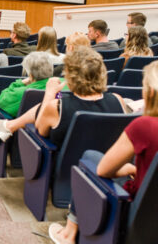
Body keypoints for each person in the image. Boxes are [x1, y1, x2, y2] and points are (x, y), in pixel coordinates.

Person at [47, 60, 158, 244]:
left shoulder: (145, 126)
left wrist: (128, 169)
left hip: (140, 213)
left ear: (151, 92)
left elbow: (103, 170)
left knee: (91, 158)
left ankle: (68, 233)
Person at [0, 46, 127, 150]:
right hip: (106, 158)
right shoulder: (118, 100)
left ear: (70, 75)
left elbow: (40, 130)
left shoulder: (58, 107)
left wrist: (49, 93)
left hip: (69, 167)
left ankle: (8, 126)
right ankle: (7, 126)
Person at [0, 51, 68, 163]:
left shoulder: (21, 92)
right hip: (57, 132)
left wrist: (22, 82)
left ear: (30, 75)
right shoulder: (64, 85)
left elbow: (0, 100)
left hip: (32, 132)